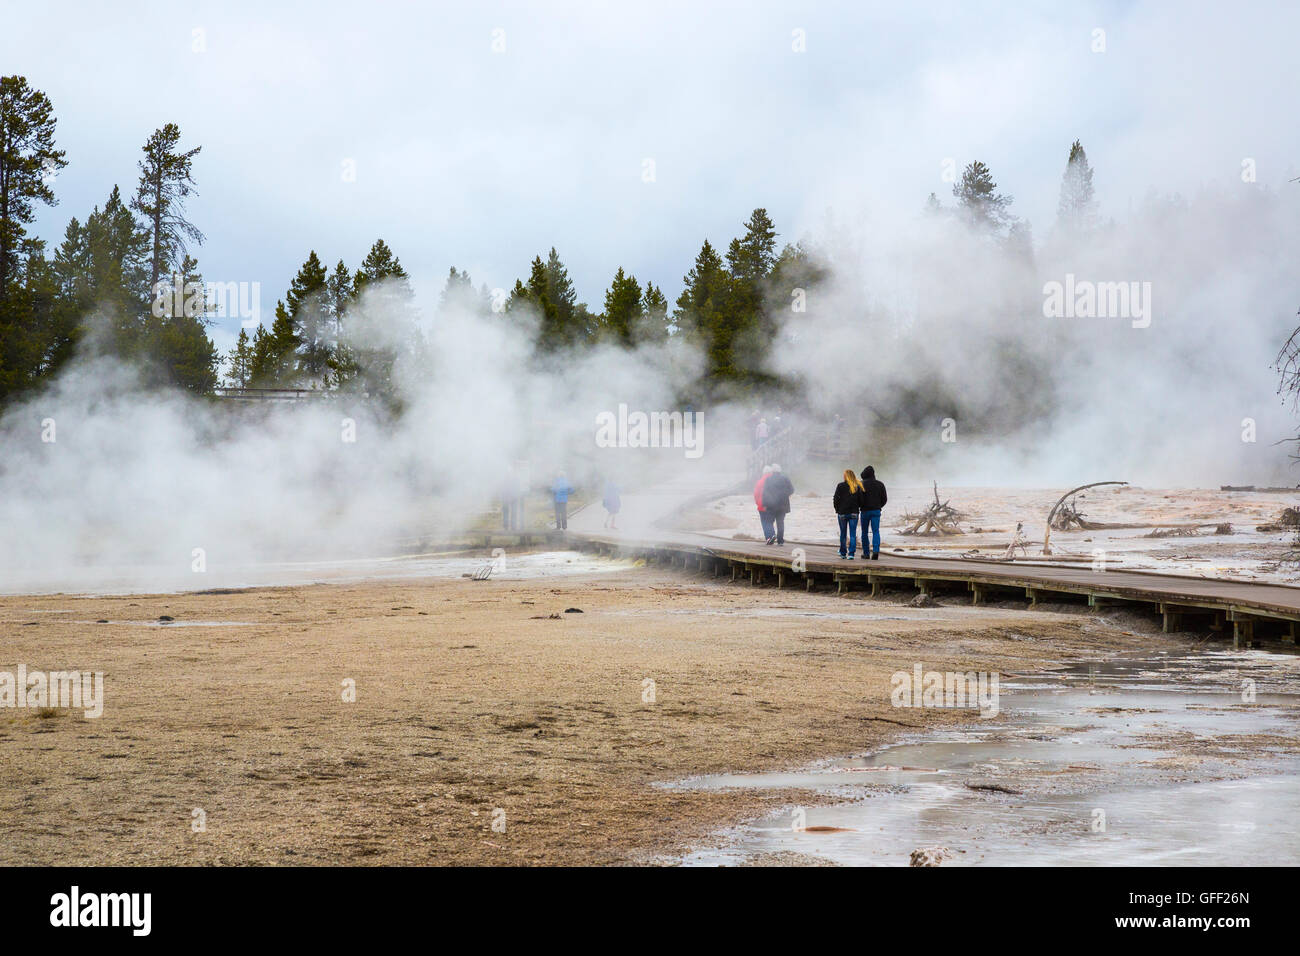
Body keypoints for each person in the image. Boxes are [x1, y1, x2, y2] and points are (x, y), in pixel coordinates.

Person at [832, 468, 865, 558]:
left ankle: (843, 553)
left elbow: (835, 499)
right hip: (854, 513)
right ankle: (851, 554)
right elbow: (861, 501)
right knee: (853, 534)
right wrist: (857, 508)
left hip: (842, 513)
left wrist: (837, 510)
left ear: (845, 476)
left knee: (843, 534)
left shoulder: (840, 486)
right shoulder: (857, 486)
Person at [859, 464, 888, 559]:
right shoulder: (880, 484)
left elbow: (858, 498)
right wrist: (879, 506)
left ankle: (866, 554)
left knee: (864, 532)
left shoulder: (861, 484)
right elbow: (884, 499)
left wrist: (861, 506)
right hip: (876, 511)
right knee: (876, 531)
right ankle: (875, 551)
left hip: (865, 511)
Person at [761, 463, 795, 545]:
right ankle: (780, 541)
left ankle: (771, 536)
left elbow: (765, 493)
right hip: (783, 505)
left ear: (772, 471)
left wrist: (764, 504)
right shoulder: (785, 479)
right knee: (780, 523)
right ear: (780, 471)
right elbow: (792, 490)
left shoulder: (768, 480)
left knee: (769, 522)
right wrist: (785, 495)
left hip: (771, 505)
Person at [753, 464, 775, 543]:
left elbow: (756, 494)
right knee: (770, 521)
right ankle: (772, 535)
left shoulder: (759, 482)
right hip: (773, 505)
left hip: (762, 506)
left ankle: (769, 538)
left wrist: (758, 503)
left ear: (763, 473)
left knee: (765, 522)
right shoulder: (774, 481)